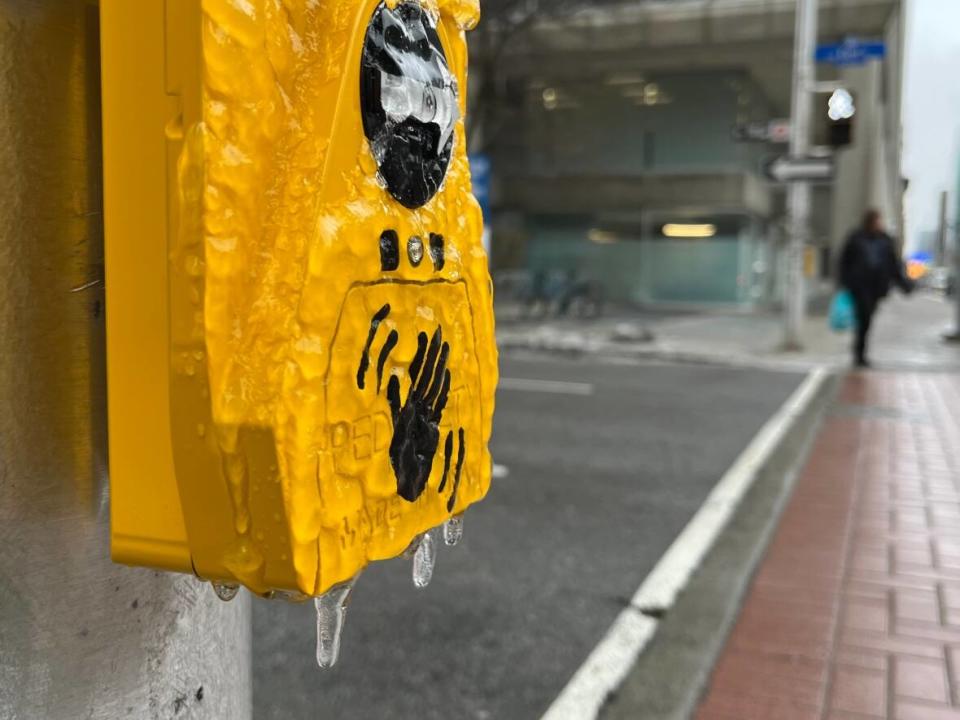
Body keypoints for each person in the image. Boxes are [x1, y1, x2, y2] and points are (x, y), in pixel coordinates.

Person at [838, 209, 913, 367]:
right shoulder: (856, 238)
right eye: (877, 220)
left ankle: (860, 353)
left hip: (876, 288)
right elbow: (844, 261)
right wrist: (844, 282)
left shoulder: (885, 241)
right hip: (859, 286)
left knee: (867, 320)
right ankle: (859, 354)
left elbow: (893, 266)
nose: (879, 224)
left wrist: (904, 285)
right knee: (863, 318)